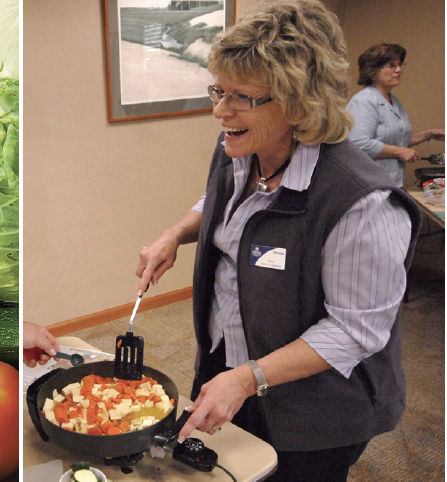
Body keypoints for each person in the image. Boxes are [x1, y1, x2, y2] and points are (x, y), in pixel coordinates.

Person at [132, 2, 421, 480]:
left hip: (317, 409)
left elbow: (355, 331)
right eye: (218, 91)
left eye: (240, 97)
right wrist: (176, 234)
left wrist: (249, 378)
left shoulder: (362, 203)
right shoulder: (239, 145)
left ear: (299, 102)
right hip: (232, 367)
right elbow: (217, 199)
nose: (219, 110)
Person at [345, 43, 444, 187]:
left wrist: (428, 134)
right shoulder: (363, 101)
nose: (399, 70)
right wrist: (400, 152)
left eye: (400, 64)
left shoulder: (393, 100)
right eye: (391, 65)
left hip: (391, 183)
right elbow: (358, 143)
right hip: (368, 185)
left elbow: (393, 139)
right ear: (373, 71)